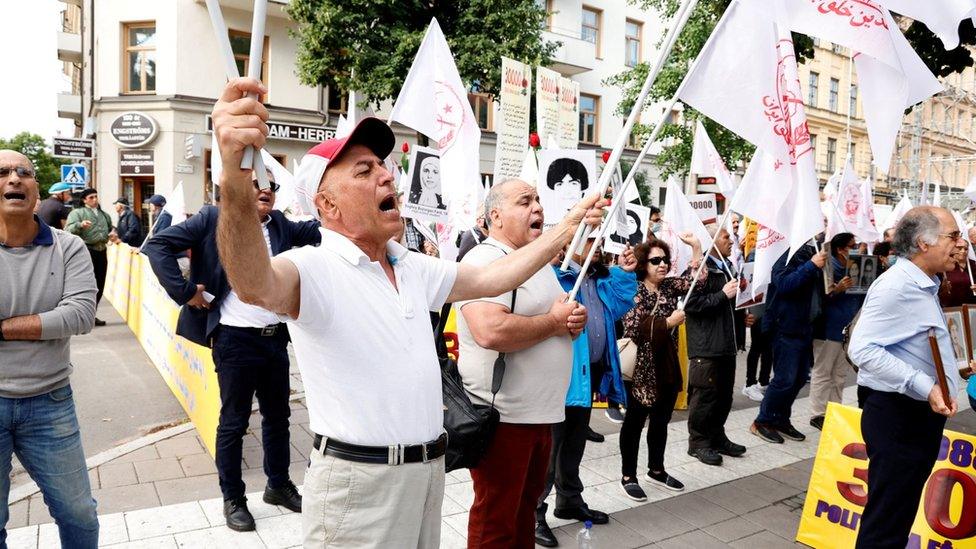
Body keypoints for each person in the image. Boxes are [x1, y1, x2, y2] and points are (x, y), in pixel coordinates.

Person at [209, 77, 606, 547]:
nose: (386, 175)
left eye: (382, 164)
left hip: (426, 475)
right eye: (363, 171)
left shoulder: (411, 265)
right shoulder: (312, 267)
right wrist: (234, 178)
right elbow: (253, 283)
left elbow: (494, 279)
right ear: (326, 204)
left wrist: (568, 227)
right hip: (360, 486)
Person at [143, 170, 319, 532]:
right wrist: (186, 290)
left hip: (274, 338)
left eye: (271, 184)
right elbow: (157, 246)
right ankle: (233, 498)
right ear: (236, 191)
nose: (266, 190)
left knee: (278, 417)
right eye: (256, 183)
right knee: (235, 422)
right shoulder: (212, 219)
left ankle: (278, 485)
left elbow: (325, 232)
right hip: (234, 340)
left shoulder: (282, 224)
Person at [455, 178, 588, 548]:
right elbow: (491, 330)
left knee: (524, 512)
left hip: (540, 415)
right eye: (525, 201)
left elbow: (557, 320)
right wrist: (555, 323)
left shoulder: (537, 263)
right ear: (495, 216)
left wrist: (573, 322)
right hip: (503, 418)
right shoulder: (483, 260)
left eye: (539, 200)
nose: (538, 208)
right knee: (496, 518)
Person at [849, 206, 964, 549]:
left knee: (896, 514)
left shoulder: (923, 282)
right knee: (886, 522)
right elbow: (863, 349)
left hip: (915, 415)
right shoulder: (897, 286)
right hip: (898, 415)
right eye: (952, 236)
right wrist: (925, 385)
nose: (958, 245)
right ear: (923, 242)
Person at [0, 150, 99, 547]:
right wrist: (43, 321)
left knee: (79, 515)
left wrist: (4, 328)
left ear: (37, 191)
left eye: (24, 172)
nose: (14, 179)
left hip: (51, 401)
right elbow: (61, 317)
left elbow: (79, 315)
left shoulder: (68, 247)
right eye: (3, 172)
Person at [533, 237, 637, 547]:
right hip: (560, 376)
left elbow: (621, 304)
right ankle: (534, 513)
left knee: (574, 441)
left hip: (588, 374)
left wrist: (625, 272)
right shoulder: (557, 275)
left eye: (599, 238)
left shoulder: (596, 277)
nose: (597, 243)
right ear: (569, 243)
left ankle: (569, 500)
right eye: (590, 237)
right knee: (550, 448)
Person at [618, 235, 702, 501]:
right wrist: (669, 322)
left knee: (661, 421)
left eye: (665, 259)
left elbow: (695, 280)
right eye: (655, 261)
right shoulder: (633, 289)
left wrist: (696, 247)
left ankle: (656, 469)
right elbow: (634, 327)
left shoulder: (668, 287)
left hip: (665, 365)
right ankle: (628, 475)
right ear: (644, 264)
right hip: (641, 368)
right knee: (634, 422)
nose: (662, 265)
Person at [684, 224, 749, 466]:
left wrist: (744, 314)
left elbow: (730, 304)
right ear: (710, 242)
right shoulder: (698, 269)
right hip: (707, 345)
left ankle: (717, 436)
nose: (731, 240)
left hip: (726, 344)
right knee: (705, 396)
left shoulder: (728, 267)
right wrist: (722, 295)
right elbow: (690, 304)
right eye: (725, 236)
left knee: (724, 396)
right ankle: (698, 443)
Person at [751, 243, 828, 444]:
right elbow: (784, 283)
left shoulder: (812, 251)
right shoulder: (784, 253)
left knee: (800, 378)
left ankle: (781, 419)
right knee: (785, 378)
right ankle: (762, 421)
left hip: (803, 326)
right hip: (785, 326)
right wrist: (811, 265)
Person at [809, 233, 862, 431]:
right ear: (840, 249)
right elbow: (819, 297)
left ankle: (834, 409)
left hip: (848, 328)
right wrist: (837, 289)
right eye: (851, 245)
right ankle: (818, 413)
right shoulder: (828, 266)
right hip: (828, 327)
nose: (855, 249)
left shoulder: (855, 267)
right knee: (823, 371)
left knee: (840, 374)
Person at [65, 188, 112, 327]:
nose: (95, 199)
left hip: (102, 250)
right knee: (88, 284)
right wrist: (80, 225)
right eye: (91, 197)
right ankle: (85, 315)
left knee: (100, 283)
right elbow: (68, 229)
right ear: (84, 200)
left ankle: (92, 314)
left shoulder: (104, 214)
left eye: (96, 197)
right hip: (87, 250)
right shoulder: (77, 213)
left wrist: (113, 234)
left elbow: (109, 228)